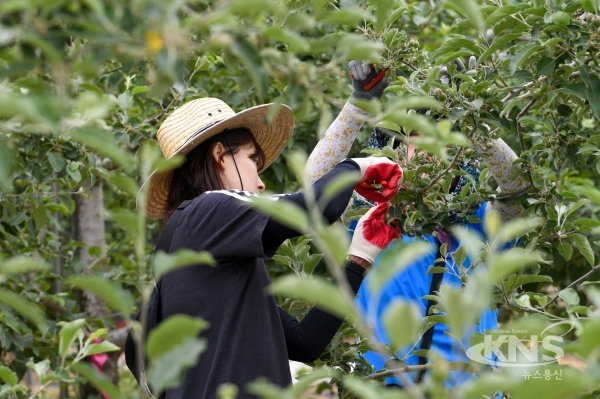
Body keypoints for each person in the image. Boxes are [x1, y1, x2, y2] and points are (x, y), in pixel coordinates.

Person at [136, 97, 402, 398]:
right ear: (220, 155)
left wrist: (358, 260)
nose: (260, 183)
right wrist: (358, 166)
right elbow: (313, 208)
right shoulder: (206, 209)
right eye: (253, 160)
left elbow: (305, 343)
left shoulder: (205, 251)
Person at [306, 60, 529, 388]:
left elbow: (519, 185)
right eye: (416, 138)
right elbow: (315, 185)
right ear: (399, 152)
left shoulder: (481, 220)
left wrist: (473, 121)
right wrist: (356, 108)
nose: (428, 148)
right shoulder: (373, 218)